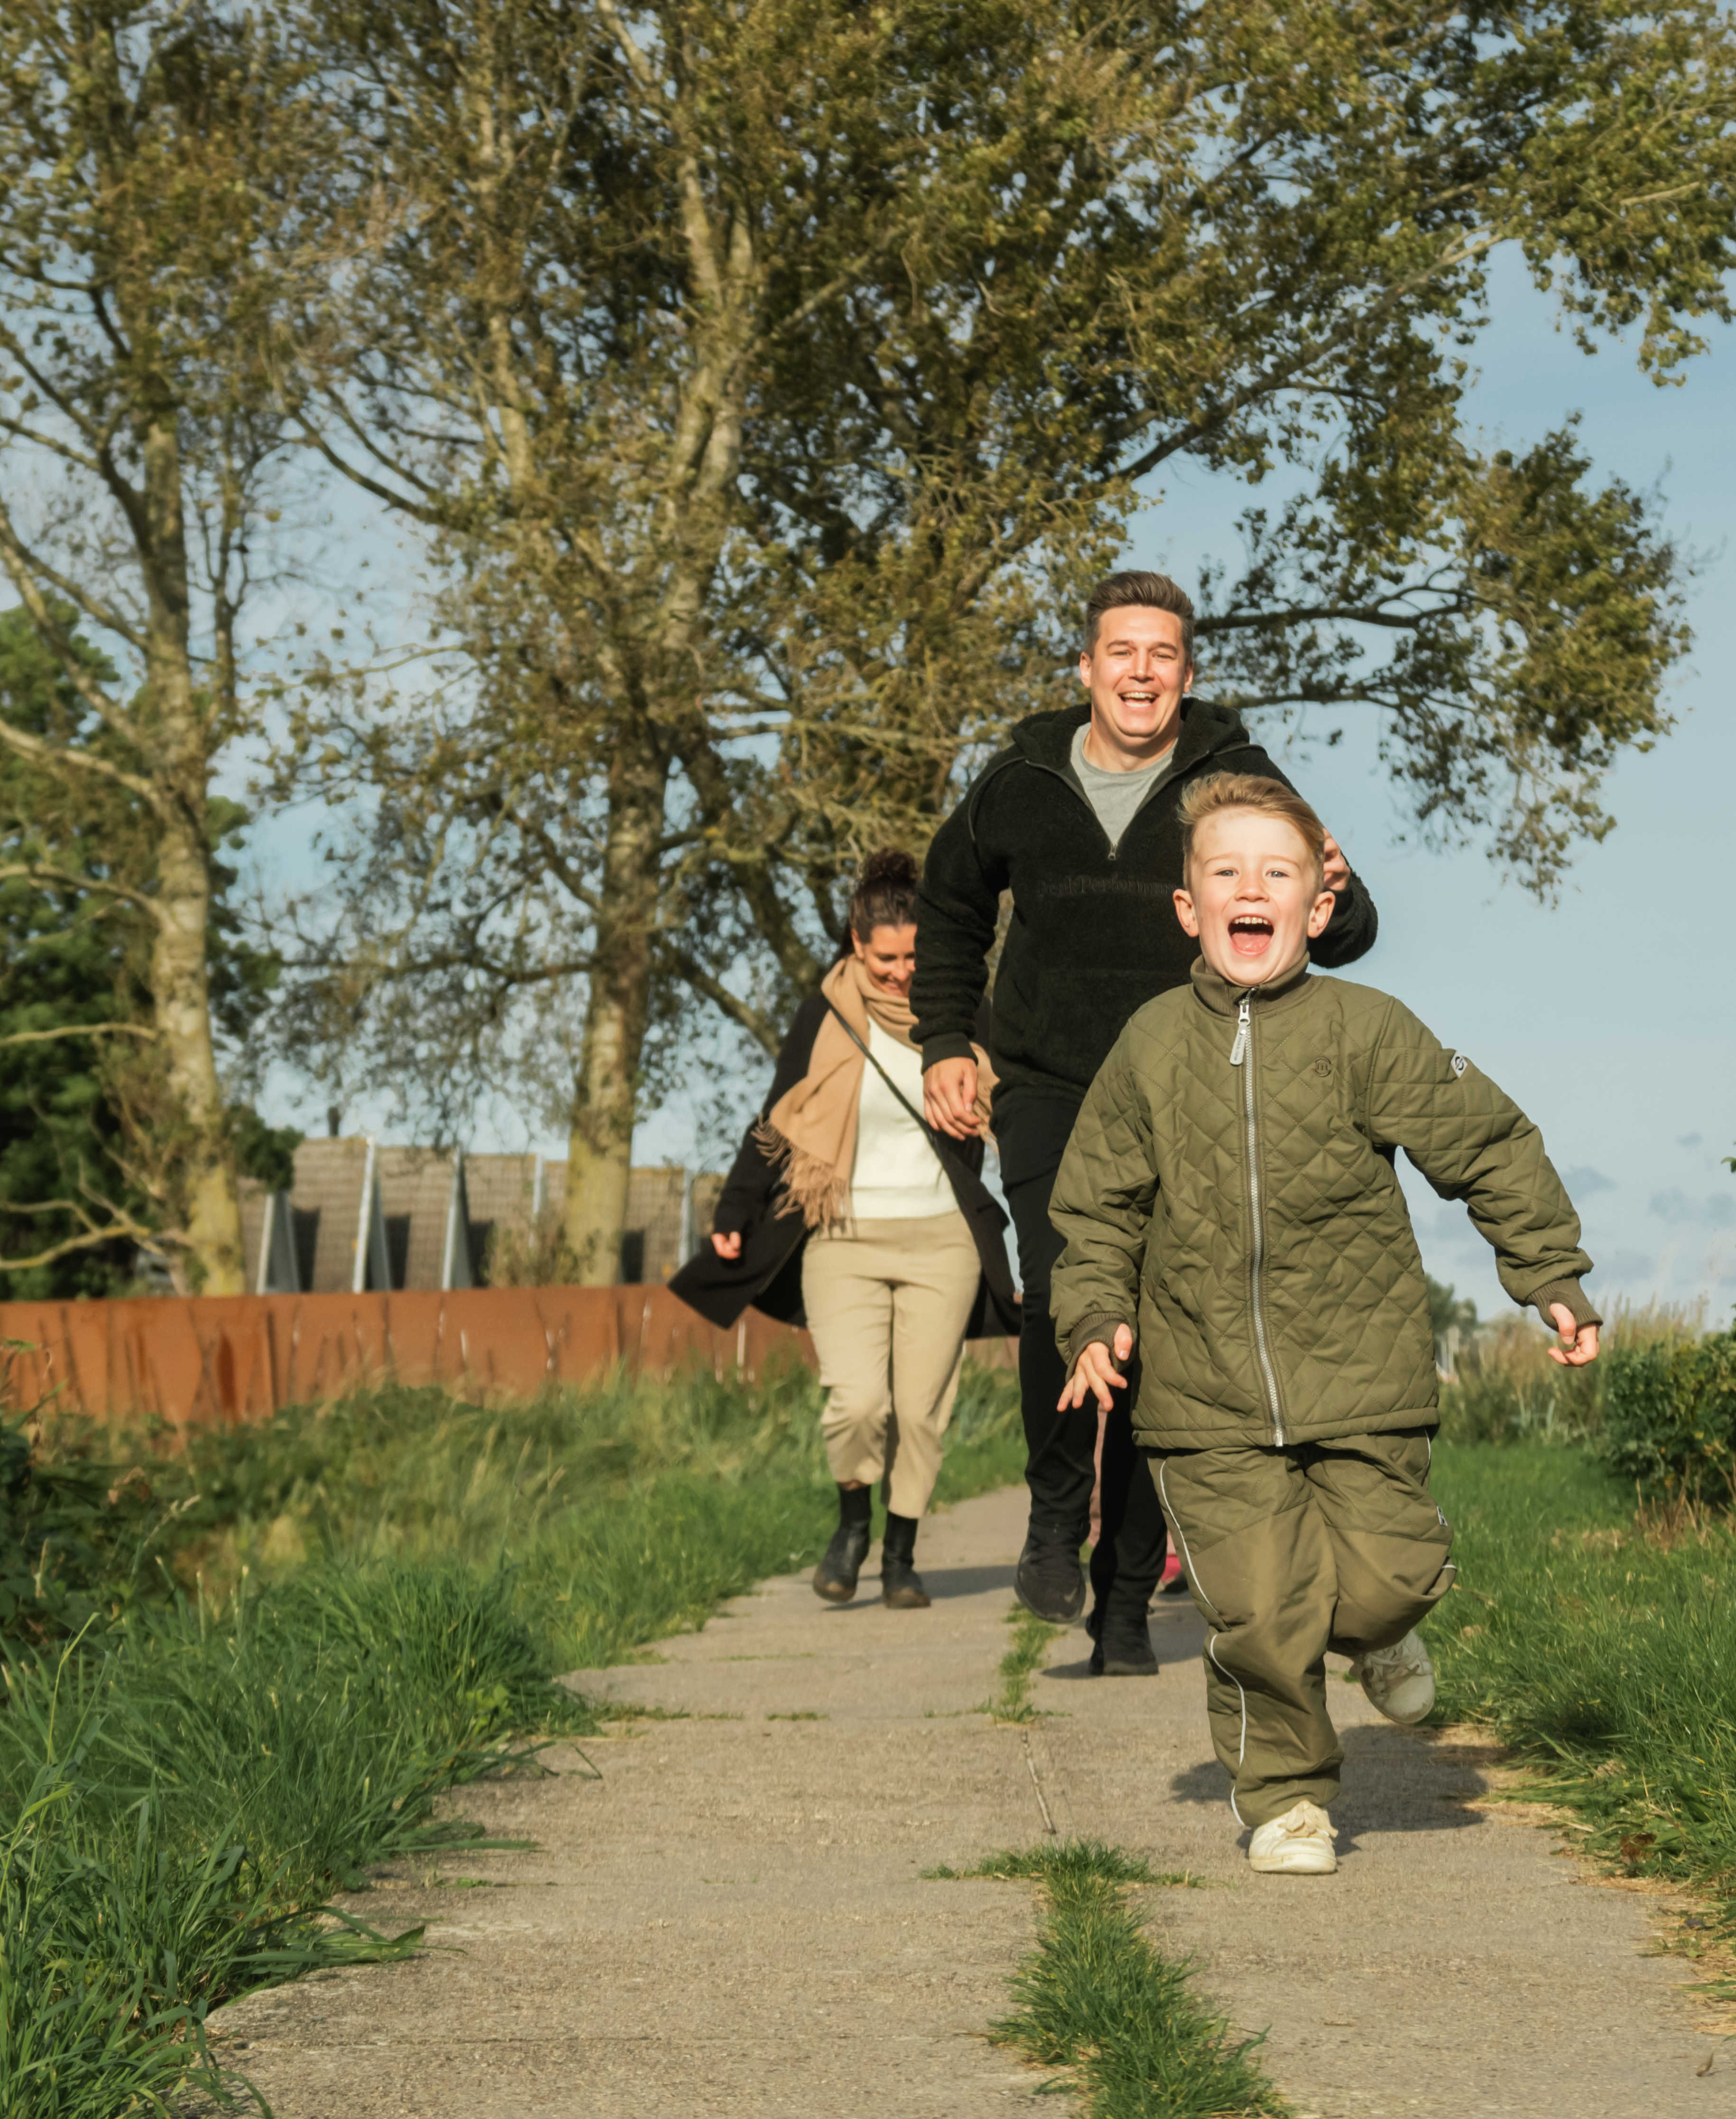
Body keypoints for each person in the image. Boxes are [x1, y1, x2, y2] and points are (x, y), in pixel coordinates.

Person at [1049, 773, 1600, 1874]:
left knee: (1384, 1577)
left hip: (1362, 1368)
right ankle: (1286, 1800)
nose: (1250, 891)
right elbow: (1097, 1204)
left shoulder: (1366, 1030)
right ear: (1188, 910)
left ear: (1317, 905)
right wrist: (1095, 1318)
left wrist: (1548, 1273)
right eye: (1225, 874)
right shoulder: (1151, 1046)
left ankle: (1385, 1634)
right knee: (1258, 1611)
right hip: (1201, 1394)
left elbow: (1484, 1145)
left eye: (1277, 873)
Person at [912, 570, 1379, 1674]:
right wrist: (944, 1040)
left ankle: (1124, 1599)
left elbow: (1333, 924)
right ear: (1086, 669)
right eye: (1120, 652)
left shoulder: (1234, 779)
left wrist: (1344, 898)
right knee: (1065, 1281)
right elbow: (949, 904)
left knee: (1159, 1340)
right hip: (1045, 1080)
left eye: (1161, 654)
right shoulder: (1020, 782)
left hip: (1190, 1089)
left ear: (1186, 671)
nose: (1139, 673)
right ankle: (1052, 1510)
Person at [671, 851, 1018, 1609]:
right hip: (842, 1235)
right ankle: (851, 1526)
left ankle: (901, 1555)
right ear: (857, 947)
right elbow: (777, 1118)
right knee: (859, 1401)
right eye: (886, 958)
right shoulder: (824, 1014)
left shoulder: (964, 1012)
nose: (900, 973)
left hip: (942, 1240)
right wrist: (733, 1214)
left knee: (921, 1412)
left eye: (914, 957)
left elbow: (1014, 1104)